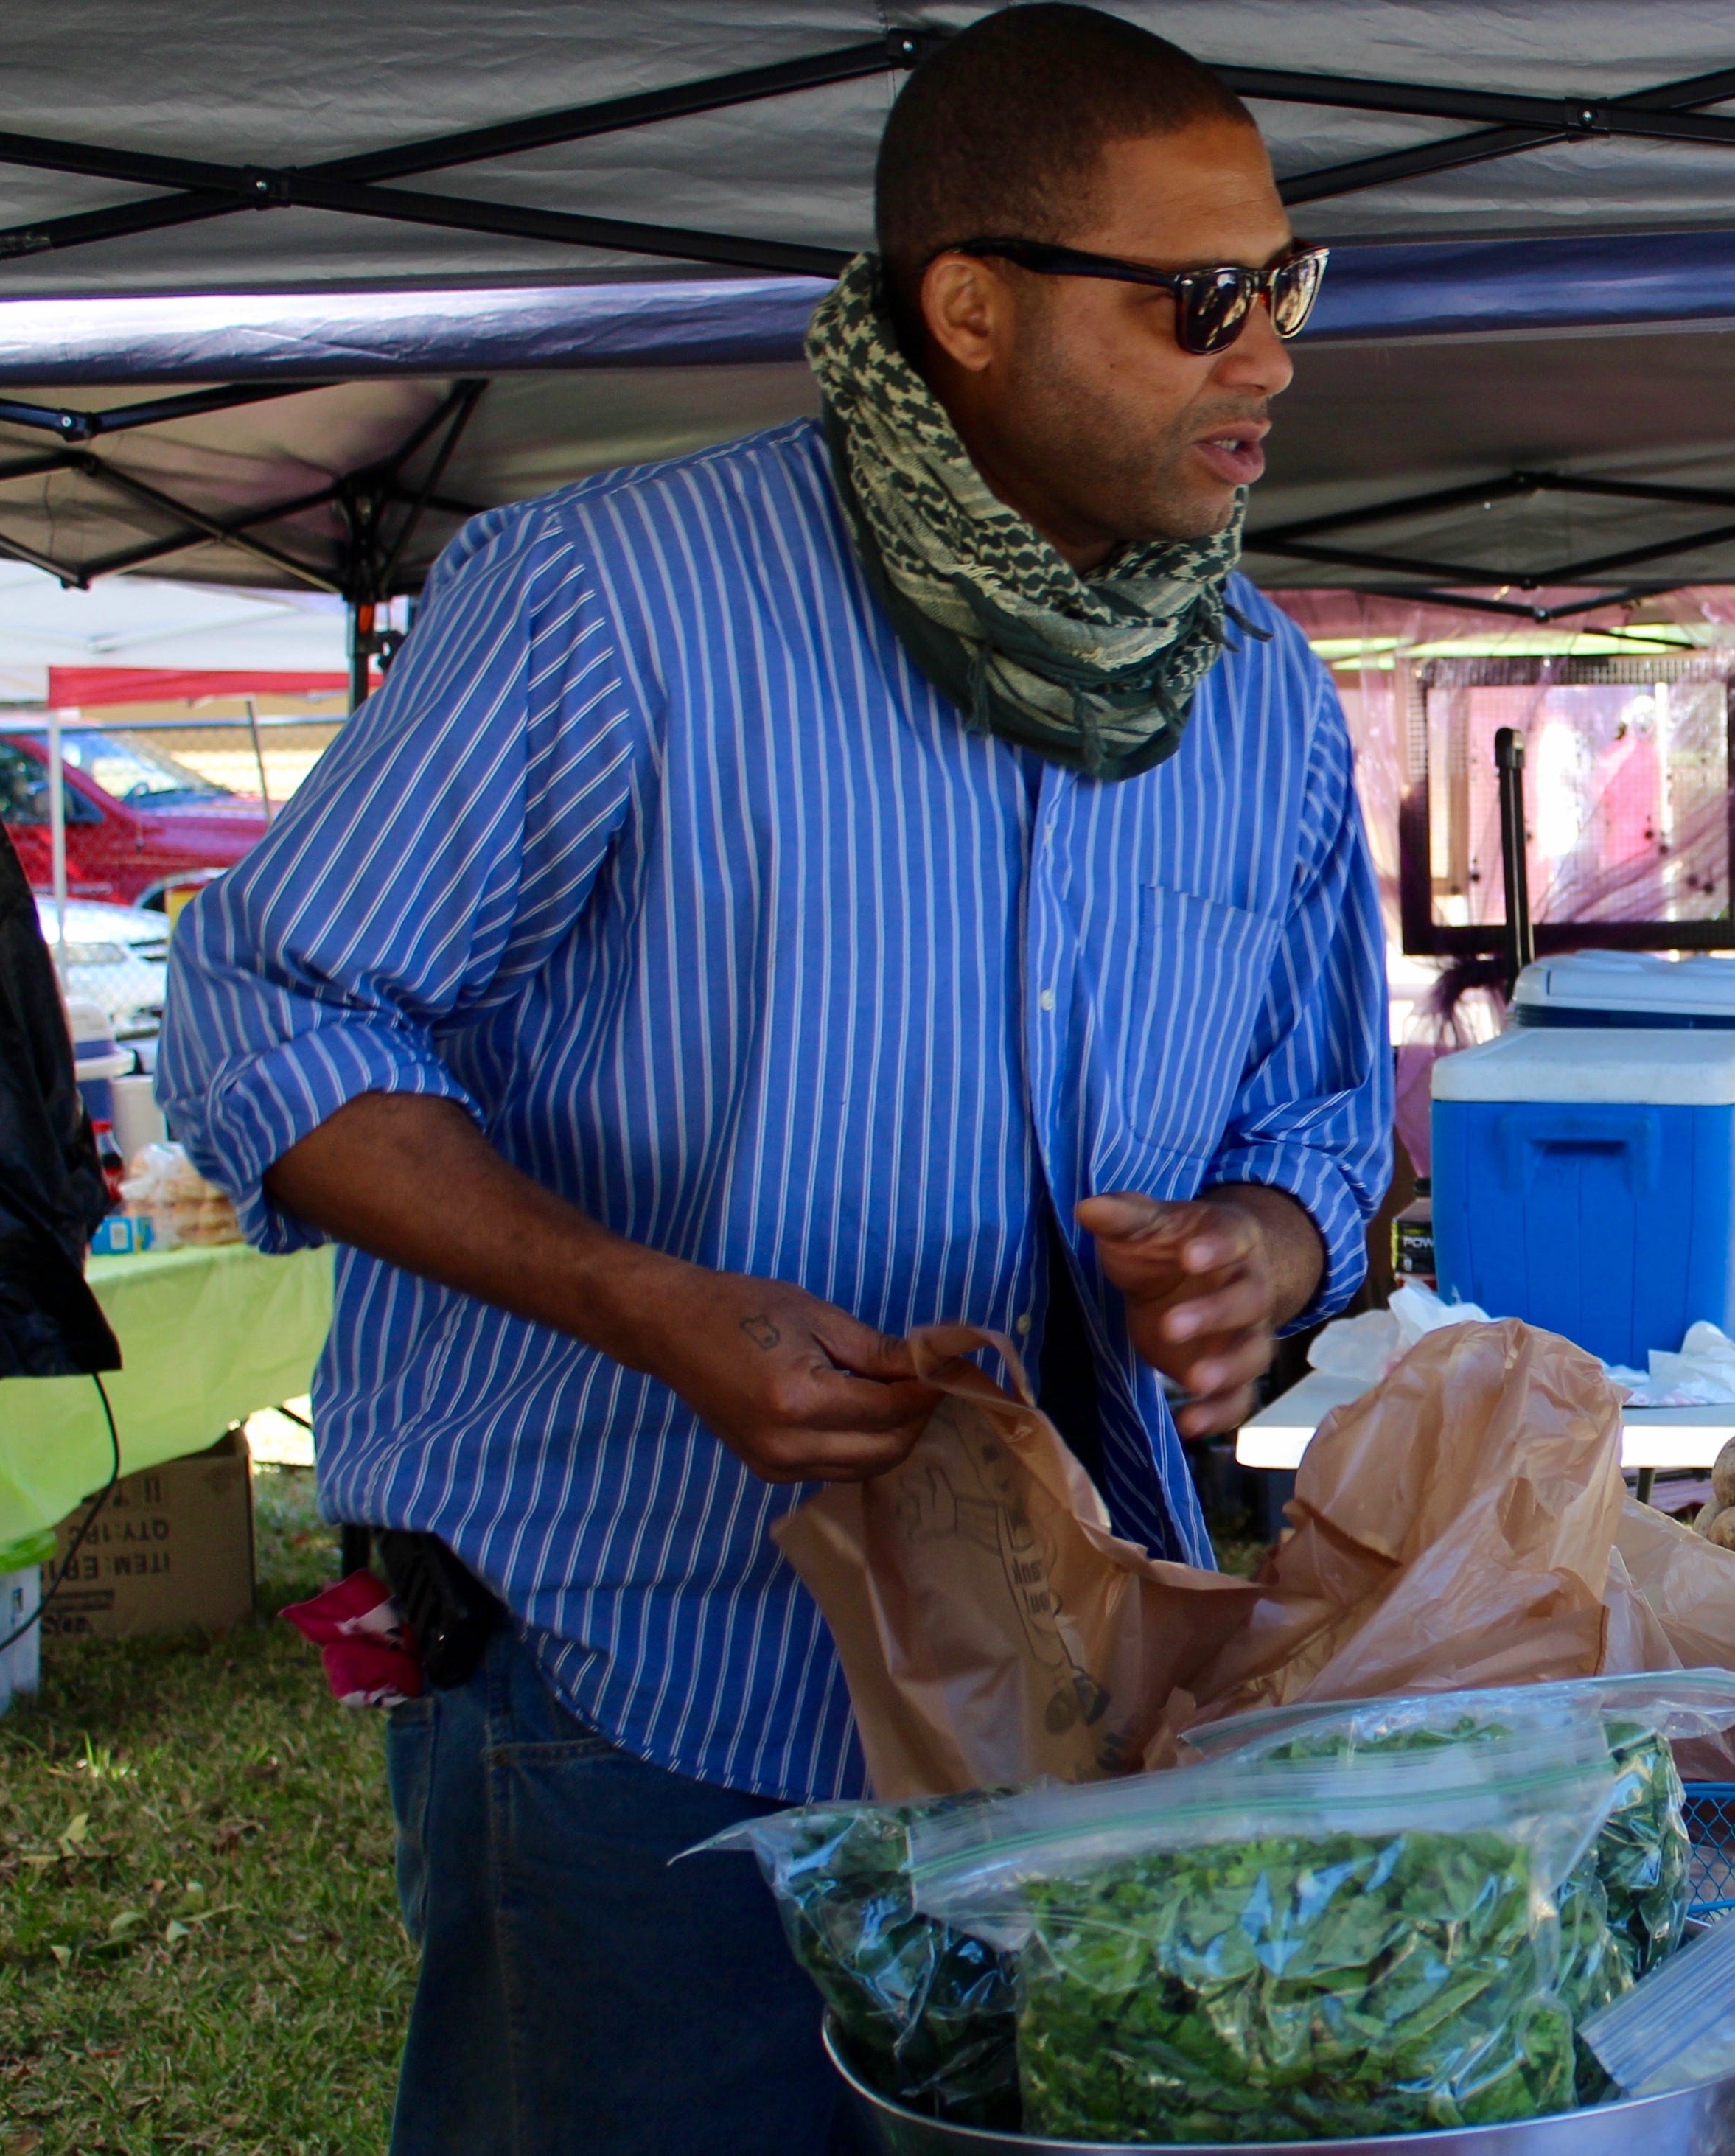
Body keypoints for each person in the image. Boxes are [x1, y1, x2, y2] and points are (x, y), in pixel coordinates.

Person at [156, 10, 1387, 2152]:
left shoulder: (1262, 693)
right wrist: (646, 1300)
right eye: (1200, 302)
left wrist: (1249, 1255)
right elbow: (275, 1014)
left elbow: (1315, 1124)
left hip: (1074, 1686)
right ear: (973, 307)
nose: (1266, 356)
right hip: (641, 1680)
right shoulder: (606, 604)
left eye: (1284, 287)